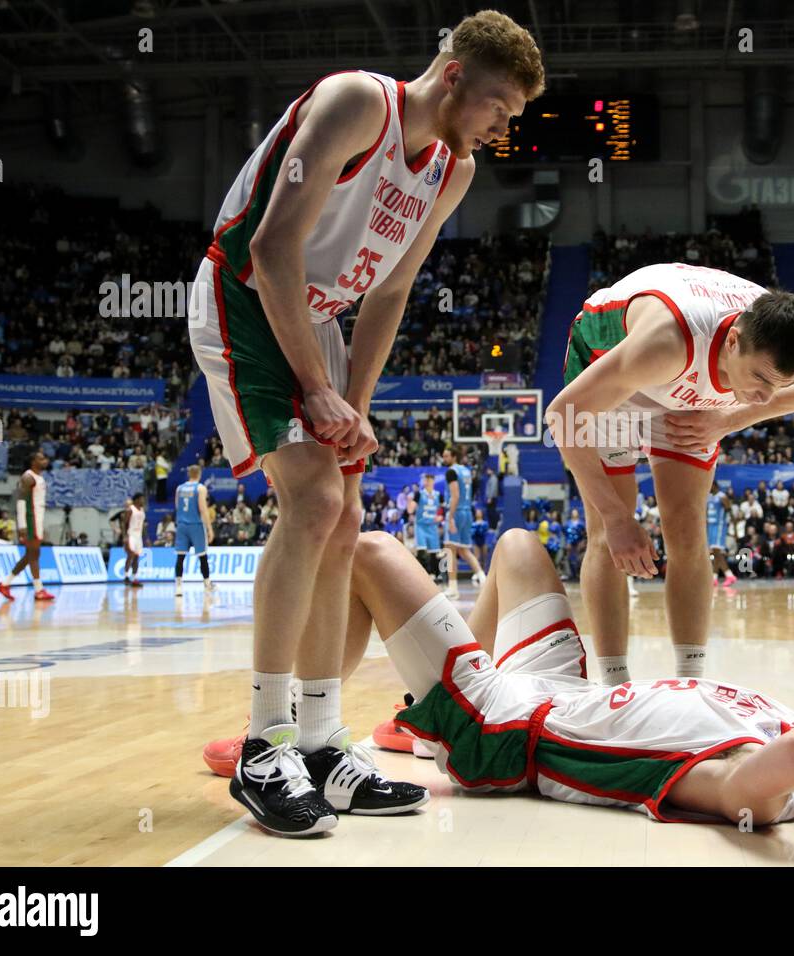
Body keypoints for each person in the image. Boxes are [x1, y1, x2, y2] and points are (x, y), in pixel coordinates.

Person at [184, 12, 545, 835]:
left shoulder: (451, 170)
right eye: (499, 106)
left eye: (514, 116)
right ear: (453, 75)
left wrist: (358, 405)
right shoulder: (356, 103)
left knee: (344, 517)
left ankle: (319, 742)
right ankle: (264, 743)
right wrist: (317, 389)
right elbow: (272, 247)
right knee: (313, 500)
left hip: (317, 322)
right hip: (247, 294)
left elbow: (389, 291)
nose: (503, 127)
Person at [208, 528, 794, 834]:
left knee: (367, 551)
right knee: (518, 549)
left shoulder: (763, 792)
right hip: (559, 690)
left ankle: (296, 733)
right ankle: (419, 711)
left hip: (504, 729)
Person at [548, 263, 794, 684]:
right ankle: (615, 685)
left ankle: (691, 682)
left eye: (778, 385)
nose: (764, 397)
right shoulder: (667, 343)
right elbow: (562, 416)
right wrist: (615, 518)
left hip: (689, 386)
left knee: (687, 530)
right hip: (616, 366)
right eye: (760, 378)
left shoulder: (788, 353)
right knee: (610, 535)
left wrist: (731, 419)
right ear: (733, 341)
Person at [0, 452, 53, 601]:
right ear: (33, 461)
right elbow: (21, 501)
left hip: (37, 519)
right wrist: (22, 526)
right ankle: (39, 590)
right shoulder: (28, 477)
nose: (45, 461)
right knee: (34, 554)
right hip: (29, 519)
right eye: (41, 458)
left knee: (31, 555)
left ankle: (5, 584)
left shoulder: (39, 477)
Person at [441, 446, 486, 597]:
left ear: (454, 456)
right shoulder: (466, 471)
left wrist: (450, 517)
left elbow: (455, 496)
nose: (444, 459)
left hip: (456, 512)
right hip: (467, 512)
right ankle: (483, 578)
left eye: (446, 456)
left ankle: (452, 588)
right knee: (464, 550)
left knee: (450, 550)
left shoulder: (451, 472)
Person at [174, 465, 215, 596]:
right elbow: (203, 509)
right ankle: (207, 584)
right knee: (202, 556)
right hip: (195, 524)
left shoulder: (179, 488)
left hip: (181, 525)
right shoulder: (200, 488)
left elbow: (177, 506)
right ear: (199, 474)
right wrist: (209, 529)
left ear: (189, 474)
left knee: (180, 556)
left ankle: (178, 586)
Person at [706, 480, 736, 587]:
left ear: (714, 485)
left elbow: (730, 512)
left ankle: (729, 575)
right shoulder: (709, 497)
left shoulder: (722, 496)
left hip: (719, 526)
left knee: (717, 552)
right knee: (715, 553)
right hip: (711, 526)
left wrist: (734, 530)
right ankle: (714, 578)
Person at [124, 493, 146, 587]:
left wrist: (146, 537)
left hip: (138, 536)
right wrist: (125, 536)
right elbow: (124, 523)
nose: (143, 501)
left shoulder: (142, 510)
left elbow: (143, 525)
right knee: (131, 555)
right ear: (137, 500)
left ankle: (134, 579)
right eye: (142, 499)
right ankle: (126, 576)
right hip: (131, 535)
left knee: (137, 557)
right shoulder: (130, 509)